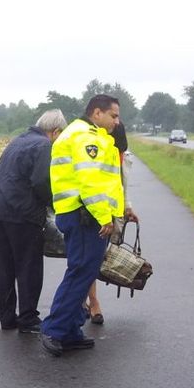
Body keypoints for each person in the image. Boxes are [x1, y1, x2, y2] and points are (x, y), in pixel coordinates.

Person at [40, 95, 138, 356]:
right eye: (113, 116)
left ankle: (71, 330)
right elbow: (90, 182)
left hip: (84, 214)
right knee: (80, 272)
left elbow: (104, 182)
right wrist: (104, 217)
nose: (117, 122)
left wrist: (119, 210)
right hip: (85, 216)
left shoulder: (86, 134)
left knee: (83, 272)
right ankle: (55, 328)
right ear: (97, 113)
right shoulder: (86, 137)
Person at [0, 109, 66, 334]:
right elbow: (42, 181)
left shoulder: (18, 141)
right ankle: (28, 318)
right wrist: (56, 206)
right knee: (28, 266)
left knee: (4, 266)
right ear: (56, 131)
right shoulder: (44, 146)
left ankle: (7, 317)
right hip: (23, 213)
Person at [85, 121, 131, 325]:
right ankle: (92, 302)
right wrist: (103, 216)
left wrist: (127, 208)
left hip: (112, 211)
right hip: (94, 212)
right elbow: (92, 185)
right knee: (88, 259)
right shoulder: (95, 153)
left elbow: (120, 186)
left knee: (97, 257)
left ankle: (86, 301)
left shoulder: (121, 158)